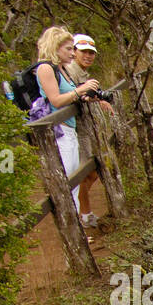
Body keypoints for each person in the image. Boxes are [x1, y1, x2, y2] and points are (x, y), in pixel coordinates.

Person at [33, 27, 98, 214]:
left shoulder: (61, 69)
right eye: (69, 49)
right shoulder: (45, 68)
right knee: (68, 182)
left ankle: (77, 225)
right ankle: (74, 230)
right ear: (55, 47)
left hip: (70, 129)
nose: (72, 53)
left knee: (74, 181)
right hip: (60, 132)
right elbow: (56, 100)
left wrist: (86, 95)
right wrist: (81, 89)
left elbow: (68, 95)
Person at [64, 34, 112, 229]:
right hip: (73, 129)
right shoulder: (68, 71)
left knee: (91, 171)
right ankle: (84, 215)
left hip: (84, 129)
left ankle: (84, 212)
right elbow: (71, 96)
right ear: (73, 51)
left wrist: (98, 99)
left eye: (91, 52)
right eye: (83, 51)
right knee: (83, 172)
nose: (88, 56)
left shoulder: (83, 74)